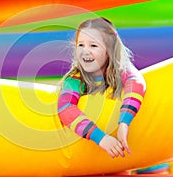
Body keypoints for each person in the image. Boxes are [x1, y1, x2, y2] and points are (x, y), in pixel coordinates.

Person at [57, 17, 146, 158]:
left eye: (93, 45)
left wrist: (124, 123)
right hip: (85, 157)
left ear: (109, 49)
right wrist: (101, 138)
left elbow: (137, 82)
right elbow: (65, 108)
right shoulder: (75, 79)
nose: (85, 51)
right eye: (81, 45)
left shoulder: (121, 71)